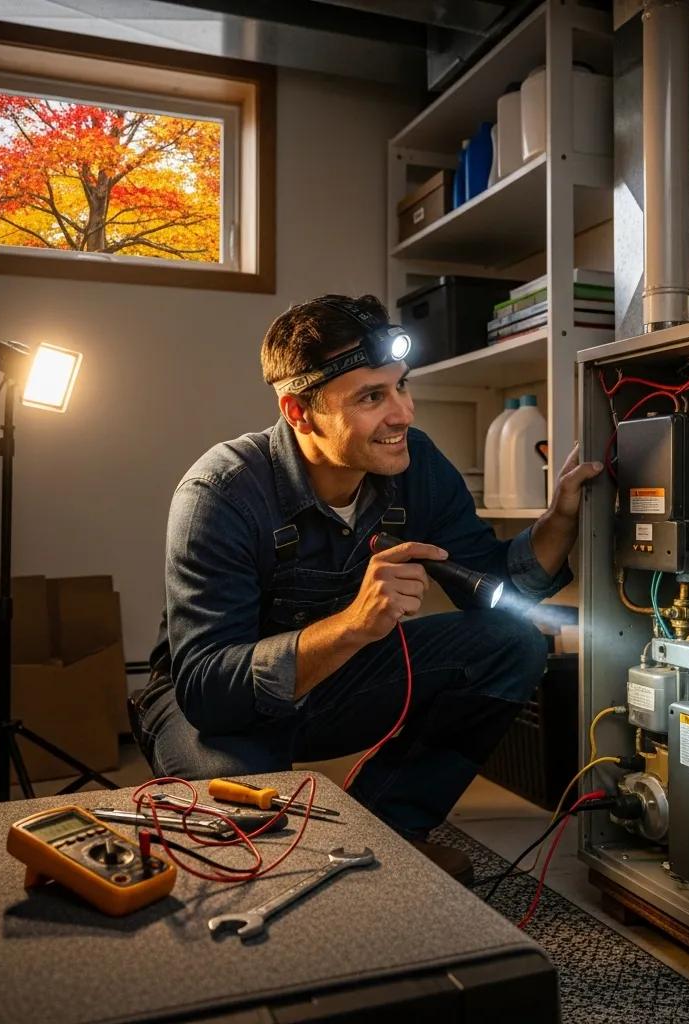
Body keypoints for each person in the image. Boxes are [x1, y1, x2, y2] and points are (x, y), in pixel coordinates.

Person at [135, 293, 602, 880]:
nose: (403, 413)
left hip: (334, 682)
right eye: (371, 397)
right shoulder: (221, 493)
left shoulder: (415, 465)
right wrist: (355, 625)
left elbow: (493, 586)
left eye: (401, 387)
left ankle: (392, 834)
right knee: (253, 835)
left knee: (513, 643)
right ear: (299, 412)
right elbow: (208, 687)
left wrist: (559, 520)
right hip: (209, 707)